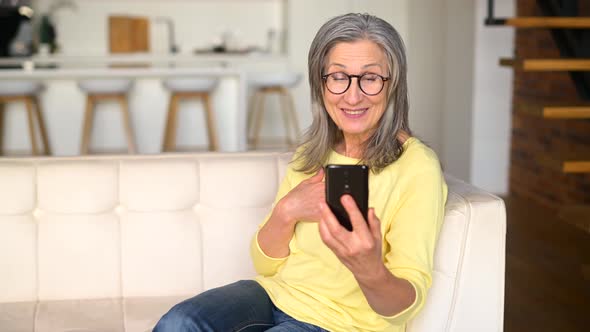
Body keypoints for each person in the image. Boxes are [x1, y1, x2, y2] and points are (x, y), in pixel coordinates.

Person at [153, 13, 447, 332]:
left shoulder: (417, 167)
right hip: (275, 295)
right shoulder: (313, 152)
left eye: (370, 78)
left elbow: (402, 310)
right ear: (320, 84)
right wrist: (286, 211)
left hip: (343, 324)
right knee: (178, 322)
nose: (352, 95)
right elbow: (265, 264)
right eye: (338, 77)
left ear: (393, 85)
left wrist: (370, 271)